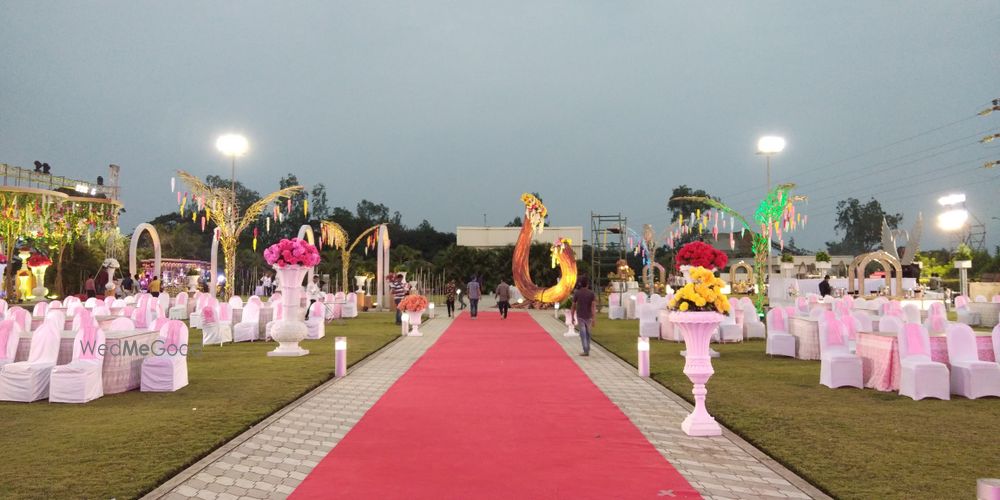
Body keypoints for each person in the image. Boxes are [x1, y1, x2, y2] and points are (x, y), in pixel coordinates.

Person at [570, 276, 597, 356]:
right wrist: (594, 318)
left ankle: (585, 349)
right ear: (587, 284)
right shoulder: (591, 293)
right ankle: (587, 348)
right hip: (588, 315)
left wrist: (572, 316)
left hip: (580, 315)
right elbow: (593, 306)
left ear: (580, 284)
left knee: (583, 333)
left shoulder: (577, 293)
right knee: (588, 333)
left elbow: (573, 306)